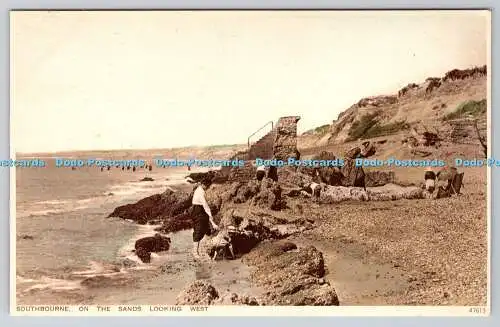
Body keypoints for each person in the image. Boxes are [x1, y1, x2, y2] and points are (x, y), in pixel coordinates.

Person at [191, 177, 219, 260]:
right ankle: (195, 252)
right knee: (199, 230)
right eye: (207, 186)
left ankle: (205, 248)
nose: (208, 187)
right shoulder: (200, 192)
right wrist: (210, 216)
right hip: (198, 210)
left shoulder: (200, 189)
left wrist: (211, 220)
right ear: (203, 185)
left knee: (206, 229)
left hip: (198, 209)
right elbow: (205, 206)